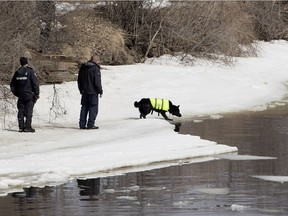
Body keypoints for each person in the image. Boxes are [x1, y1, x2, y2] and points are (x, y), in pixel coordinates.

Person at [10, 57, 40, 132]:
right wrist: (36, 93)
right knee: (29, 110)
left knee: (21, 110)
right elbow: (35, 83)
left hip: (21, 95)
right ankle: (27, 127)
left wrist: (16, 93)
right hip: (29, 94)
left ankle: (21, 127)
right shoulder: (30, 72)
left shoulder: (17, 72)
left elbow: (12, 85)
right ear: (27, 62)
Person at [77, 54, 103, 129]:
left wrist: (81, 89)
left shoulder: (83, 67)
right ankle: (90, 124)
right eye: (99, 60)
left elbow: (79, 80)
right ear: (96, 61)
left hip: (84, 91)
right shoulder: (95, 68)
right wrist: (100, 91)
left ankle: (82, 124)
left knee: (84, 107)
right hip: (93, 92)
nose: (99, 62)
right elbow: (97, 81)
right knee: (93, 108)